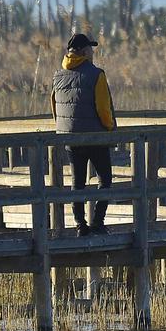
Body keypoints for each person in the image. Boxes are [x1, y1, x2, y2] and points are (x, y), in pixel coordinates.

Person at [51, 33, 116, 237]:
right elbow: (103, 108)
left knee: (77, 183)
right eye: (90, 49)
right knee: (104, 179)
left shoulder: (58, 76)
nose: (92, 53)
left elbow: (54, 107)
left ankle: (80, 225)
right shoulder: (96, 74)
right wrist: (110, 129)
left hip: (70, 138)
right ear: (83, 52)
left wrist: (64, 129)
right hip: (95, 136)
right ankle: (97, 222)